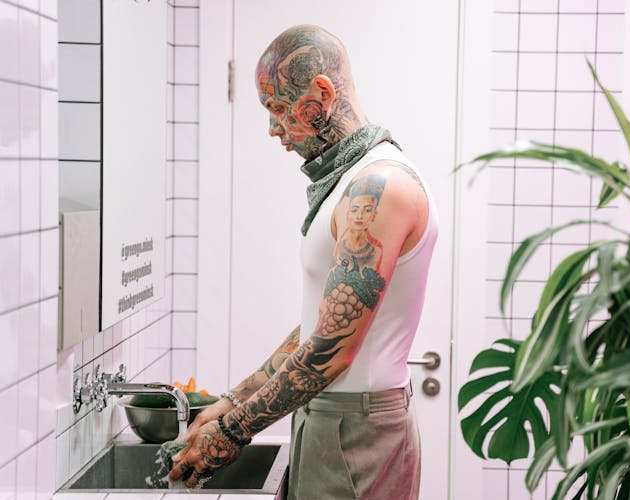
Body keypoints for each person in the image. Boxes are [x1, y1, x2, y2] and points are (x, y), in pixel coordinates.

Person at [169, 24, 438, 499]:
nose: (274, 129)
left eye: (278, 108)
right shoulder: (350, 183)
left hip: (357, 432)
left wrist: (232, 430)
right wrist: (234, 399)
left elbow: (332, 347)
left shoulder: (379, 189)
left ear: (321, 93)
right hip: (329, 419)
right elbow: (321, 322)